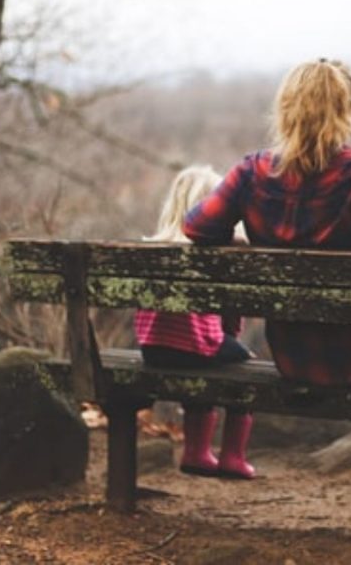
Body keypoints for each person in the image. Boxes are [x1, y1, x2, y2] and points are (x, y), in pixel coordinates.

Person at [183, 59, 351, 518]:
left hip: (292, 355)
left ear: (285, 109)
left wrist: (239, 240)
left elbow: (197, 226)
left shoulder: (251, 173)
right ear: (350, 110)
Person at [135, 165, 257, 480]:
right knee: (244, 367)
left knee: (204, 359)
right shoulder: (215, 251)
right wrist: (230, 337)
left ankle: (197, 452)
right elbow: (229, 314)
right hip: (197, 347)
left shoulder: (153, 248)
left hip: (153, 349)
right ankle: (231, 457)